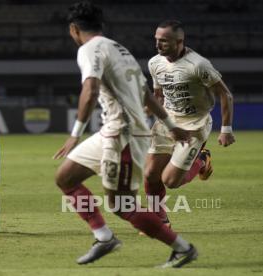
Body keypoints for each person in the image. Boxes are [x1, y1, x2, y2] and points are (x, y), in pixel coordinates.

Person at [53, 2, 197, 268]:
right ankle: (104, 237)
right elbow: (144, 93)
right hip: (112, 130)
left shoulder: (88, 49)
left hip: (123, 134)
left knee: (121, 204)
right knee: (65, 177)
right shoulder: (118, 48)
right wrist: (170, 124)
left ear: (74, 29)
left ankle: (183, 248)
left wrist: (75, 134)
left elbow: (91, 89)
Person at [144, 20, 235, 228]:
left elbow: (225, 95)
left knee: (170, 181)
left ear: (179, 42)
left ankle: (202, 159)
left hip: (194, 125)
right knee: (150, 173)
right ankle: (160, 221)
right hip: (167, 122)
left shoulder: (198, 65)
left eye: (164, 41)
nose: (158, 45)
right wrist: (145, 113)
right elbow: (159, 96)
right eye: (156, 40)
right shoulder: (154, 63)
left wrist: (226, 129)